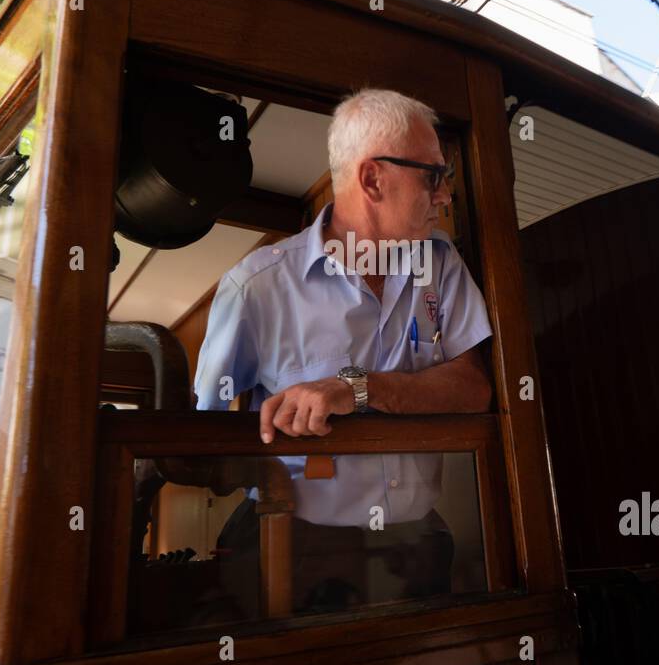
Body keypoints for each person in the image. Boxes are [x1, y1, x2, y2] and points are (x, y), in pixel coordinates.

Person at [193, 88, 494, 617]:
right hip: (293, 545)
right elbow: (205, 442)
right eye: (433, 177)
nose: (446, 194)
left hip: (418, 544)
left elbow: (473, 388)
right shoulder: (256, 287)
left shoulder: (441, 265)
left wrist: (355, 389)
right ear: (373, 179)